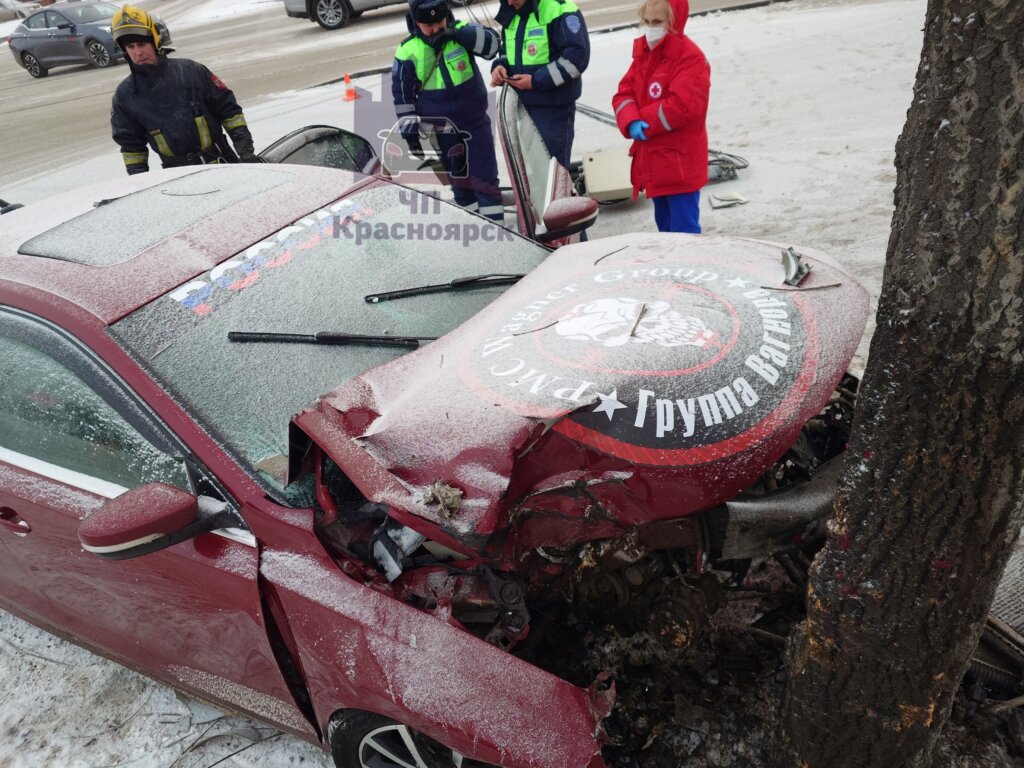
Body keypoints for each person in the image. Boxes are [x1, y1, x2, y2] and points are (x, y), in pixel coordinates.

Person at [110, 5, 257, 175]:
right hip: (177, 177)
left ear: (155, 40)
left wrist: (246, 153)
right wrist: (140, 183)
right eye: (130, 47)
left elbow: (230, 113)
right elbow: (131, 147)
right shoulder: (125, 95)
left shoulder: (192, 72)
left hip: (223, 164)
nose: (137, 52)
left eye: (142, 44)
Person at [392, 0, 504, 221]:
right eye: (429, 25)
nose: (436, 28)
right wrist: (410, 134)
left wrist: (456, 34)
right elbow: (402, 97)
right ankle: (473, 231)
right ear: (416, 22)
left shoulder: (462, 32)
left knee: (486, 182)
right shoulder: (407, 50)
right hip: (442, 132)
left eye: (440, 21)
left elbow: (493, 45)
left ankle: (498, 234)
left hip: (475, 123)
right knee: (461, 186)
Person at [612, 0, 709, 233]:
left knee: (684, 231)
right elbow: (623, 93)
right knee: (664, 229)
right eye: (647, 22)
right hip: (655, 163)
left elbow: (683, 106)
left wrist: (646, 120)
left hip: (679, 164)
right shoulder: (645, 54)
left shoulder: (690, 58)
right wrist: (631, 120)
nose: (651, 28)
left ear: (674, 22)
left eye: (657, 22)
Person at [489, 0, 589, 170]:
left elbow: (576, 60)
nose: (510, 2)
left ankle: (556, 198)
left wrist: (536, 81)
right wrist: (501, 66)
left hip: (553, 108)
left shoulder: (559, 9)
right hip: (522, 107)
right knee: (531, 171)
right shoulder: (512, 10)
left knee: (551, 171)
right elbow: (508, 49)